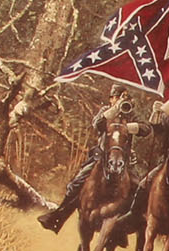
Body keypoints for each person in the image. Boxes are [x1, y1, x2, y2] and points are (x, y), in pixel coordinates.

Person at [38, 85, 145, 232]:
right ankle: (58, 217)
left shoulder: (130, 114)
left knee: (139, 187)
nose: (120, 100)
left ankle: (135, 222)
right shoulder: (105, 111)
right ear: (111, 99)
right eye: (117, 97)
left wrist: (127, 127)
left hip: (123, 161)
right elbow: (97, 124)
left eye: (124, 97)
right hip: (101, 157)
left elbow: (146, 128)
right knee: (76, 183)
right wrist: (115, 109)